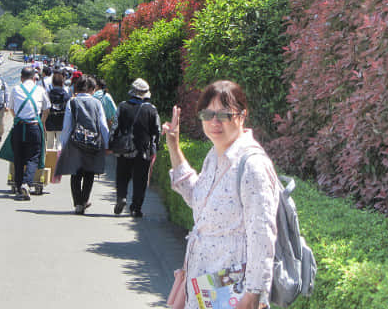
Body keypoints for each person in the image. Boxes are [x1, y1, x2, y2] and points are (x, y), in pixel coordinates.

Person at [162, 80, 280, 309]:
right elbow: (198, 199)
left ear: (242, 115)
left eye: (225, 115)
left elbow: (262, 236)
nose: (214, 122)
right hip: (205, 287)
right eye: (208, 114)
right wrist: (174, 147)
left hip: (233, 292)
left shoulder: (252, 165)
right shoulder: (214, 156)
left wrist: (253, 294)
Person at [55, 75, 109, 214]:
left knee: (76, 173)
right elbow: (103, 125)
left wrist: (63, 144)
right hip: (93, 141)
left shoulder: (72, 103)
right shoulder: (97, 103)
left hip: (75, 142)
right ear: (92, 89)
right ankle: (84, 200)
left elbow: (67, 126)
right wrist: (107, 144)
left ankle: (78, 202)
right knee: (89, 173)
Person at [112, 78, 161, 218]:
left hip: (124, 150)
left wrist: (111, 144)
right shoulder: (151, 109)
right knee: (140, 181)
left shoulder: (122, 106)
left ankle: (121, 197)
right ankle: (136, 208)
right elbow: (156, 132)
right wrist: (155, 148)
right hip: (143, 151)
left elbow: (115, 127)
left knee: (122, 176)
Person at [9, 66, 50, 201]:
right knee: (33, 157)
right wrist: (42, 122)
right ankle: (27, 183)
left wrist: (19, 118)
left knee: (18, 157)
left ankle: (19, 186)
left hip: (19, 127)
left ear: (21, 78)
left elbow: (11, 109)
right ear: (34, 78)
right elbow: (47, 108)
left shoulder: (15, 89)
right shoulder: (40, 90)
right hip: (33, 127)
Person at [45, 72, 70, 152]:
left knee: (49, 144)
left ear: (52, 83)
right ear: (62, 83)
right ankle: (58, 162)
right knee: (59, 145)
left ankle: (49, 163)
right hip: (62, 123)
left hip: (49, 122)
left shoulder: (47, 94)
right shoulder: (66, 95)